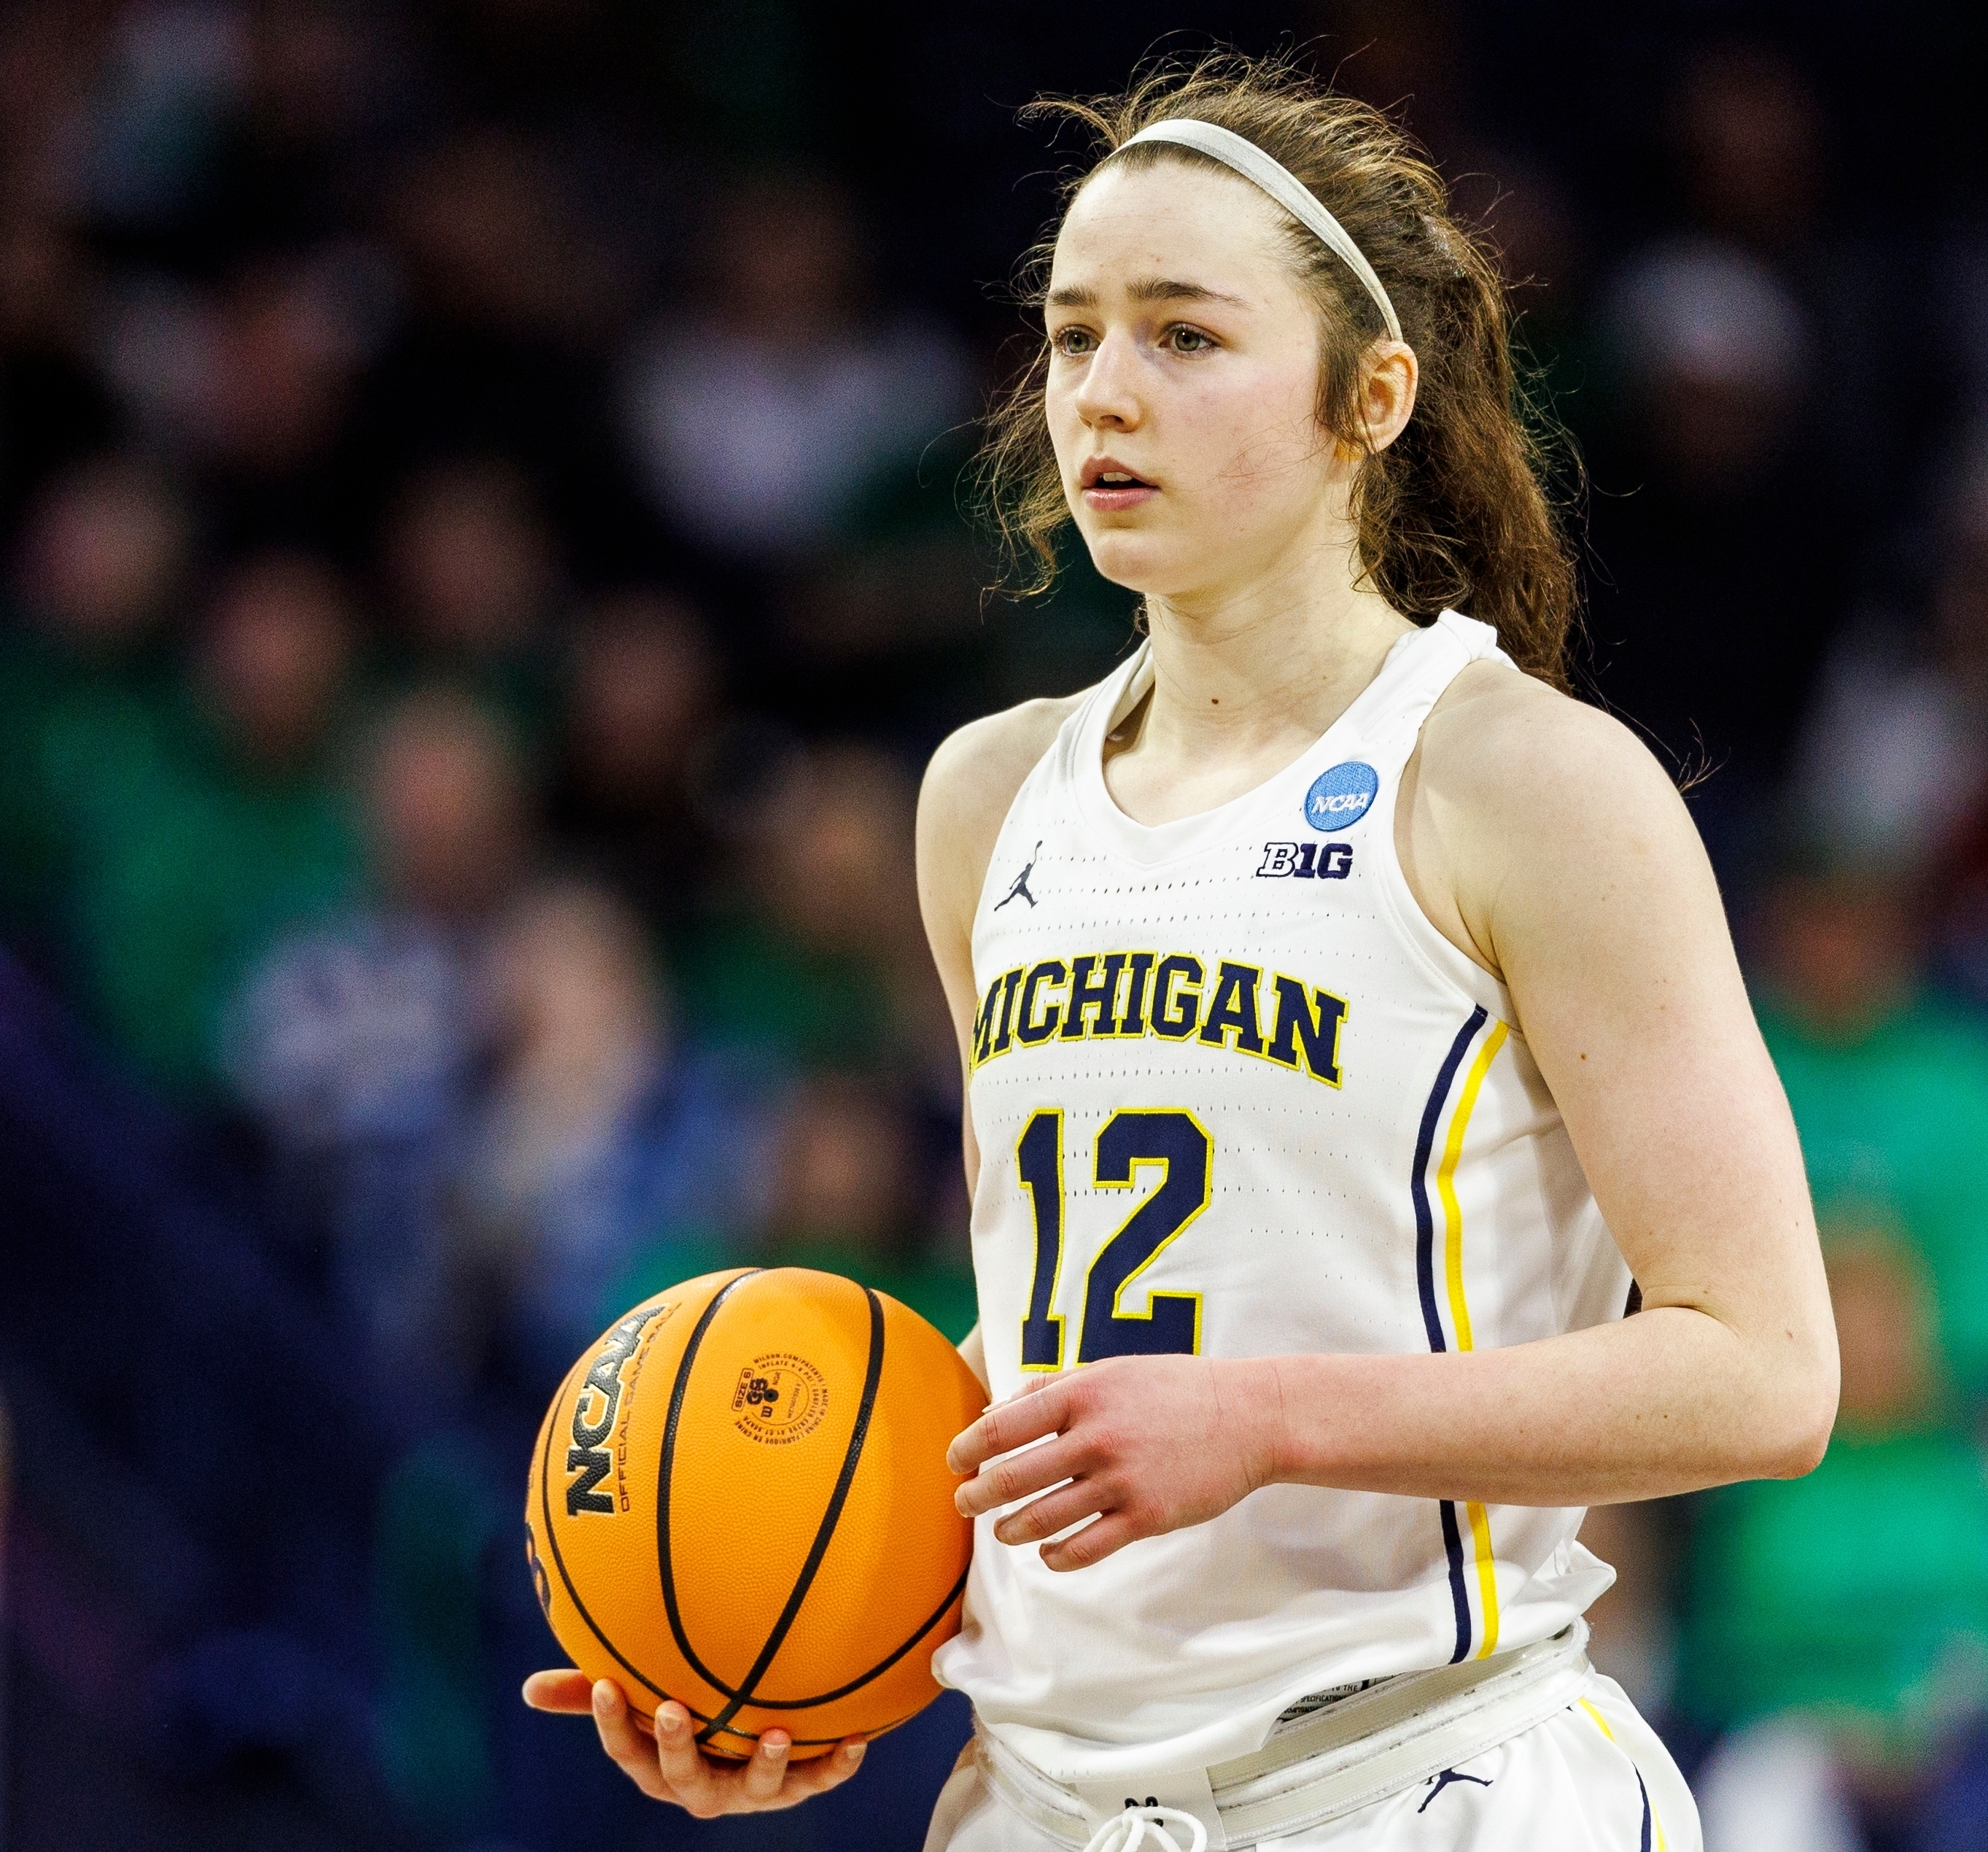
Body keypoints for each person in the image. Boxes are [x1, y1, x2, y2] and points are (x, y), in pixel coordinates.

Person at [523, 52, 1838, 1851]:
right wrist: (811, 1649)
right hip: (1042, 1801)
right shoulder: (986, 797)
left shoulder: (1519, 779)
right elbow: (1058, 1344)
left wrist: (1272, 1419)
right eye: (1070, 336)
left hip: (1418, 1778)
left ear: (1368, 396)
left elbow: (1762, 1372)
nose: (1101, 393)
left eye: (1182, 336)